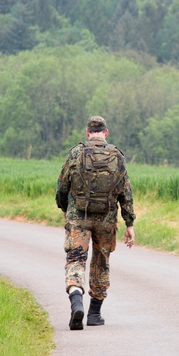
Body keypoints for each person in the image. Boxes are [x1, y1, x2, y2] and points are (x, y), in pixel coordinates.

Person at [55, 115, 136, 330]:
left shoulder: (76, 152)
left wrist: (65, 209)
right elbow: (125, 192)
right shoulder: (117, 155)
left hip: (78, 217)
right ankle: (94, 313)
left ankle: (76, 301)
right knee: (101, 262)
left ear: (88, 132)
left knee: (76, 259)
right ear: (106, 132)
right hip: (106, 220)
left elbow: (62, 186)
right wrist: (129, 223)